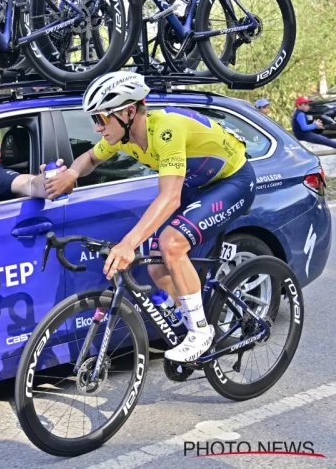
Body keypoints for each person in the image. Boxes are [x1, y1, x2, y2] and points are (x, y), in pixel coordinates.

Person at [45, 71, 257, 363]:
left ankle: (200, 331)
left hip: (233, 181)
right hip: (197, 186)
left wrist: (128, 243)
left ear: (129, 111)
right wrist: (71, 174)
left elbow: (169, 198)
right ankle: (189, 317)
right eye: (94, 119)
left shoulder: (166, 130)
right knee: (158, 268)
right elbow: (91, 158)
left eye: (101, 118)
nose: (97, 128)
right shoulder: (123, 136)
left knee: (171, 245)